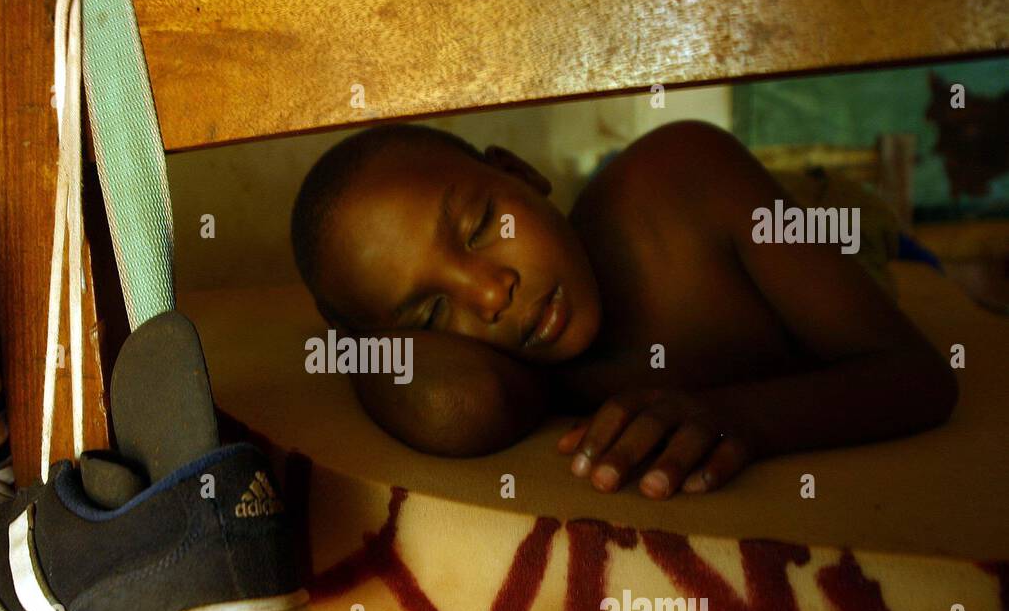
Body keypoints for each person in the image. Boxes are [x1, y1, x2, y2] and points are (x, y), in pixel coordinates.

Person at [290, 120, 956, 499]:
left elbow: (917, 374)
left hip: (834, 222)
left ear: (521, 173)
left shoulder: (683, 177)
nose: (492, 294)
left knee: (861, 221)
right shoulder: (513, 369)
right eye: (433, 314)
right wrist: (358, 341)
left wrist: (739, 418)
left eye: (483, 223)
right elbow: (456, 407)